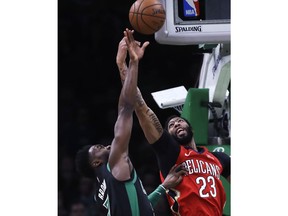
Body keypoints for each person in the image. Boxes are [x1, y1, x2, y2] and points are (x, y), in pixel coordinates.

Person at [75, 28, 187, 216]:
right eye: (99, 147)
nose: (107, 146)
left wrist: (163, 187)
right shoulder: (115, 163)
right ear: (95, 162)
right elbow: (126, 107)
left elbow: (140, 205)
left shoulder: (100, 197)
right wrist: (132, 63)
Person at [116, 33, 231, 216]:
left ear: (191, 128)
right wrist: (128, 65)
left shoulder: (219, 159)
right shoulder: (172, 154)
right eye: (171, 126)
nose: (176, 123)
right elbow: (140, 107)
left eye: (179, 121)